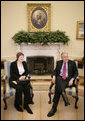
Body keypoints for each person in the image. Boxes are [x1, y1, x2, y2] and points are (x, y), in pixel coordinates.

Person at [47, 52, 78, 117]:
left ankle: (54, 108)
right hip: (60, 79)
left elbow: (76, 73)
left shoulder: (72, 63)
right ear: (62, 58)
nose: (66, 58)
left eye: (67, 56)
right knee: (58, 78)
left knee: (57, 87)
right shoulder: (59, 63)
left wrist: (72, 79)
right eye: (64, 57)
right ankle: (64, 98)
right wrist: (54, 76)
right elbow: (55, 72)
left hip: (68, 80)